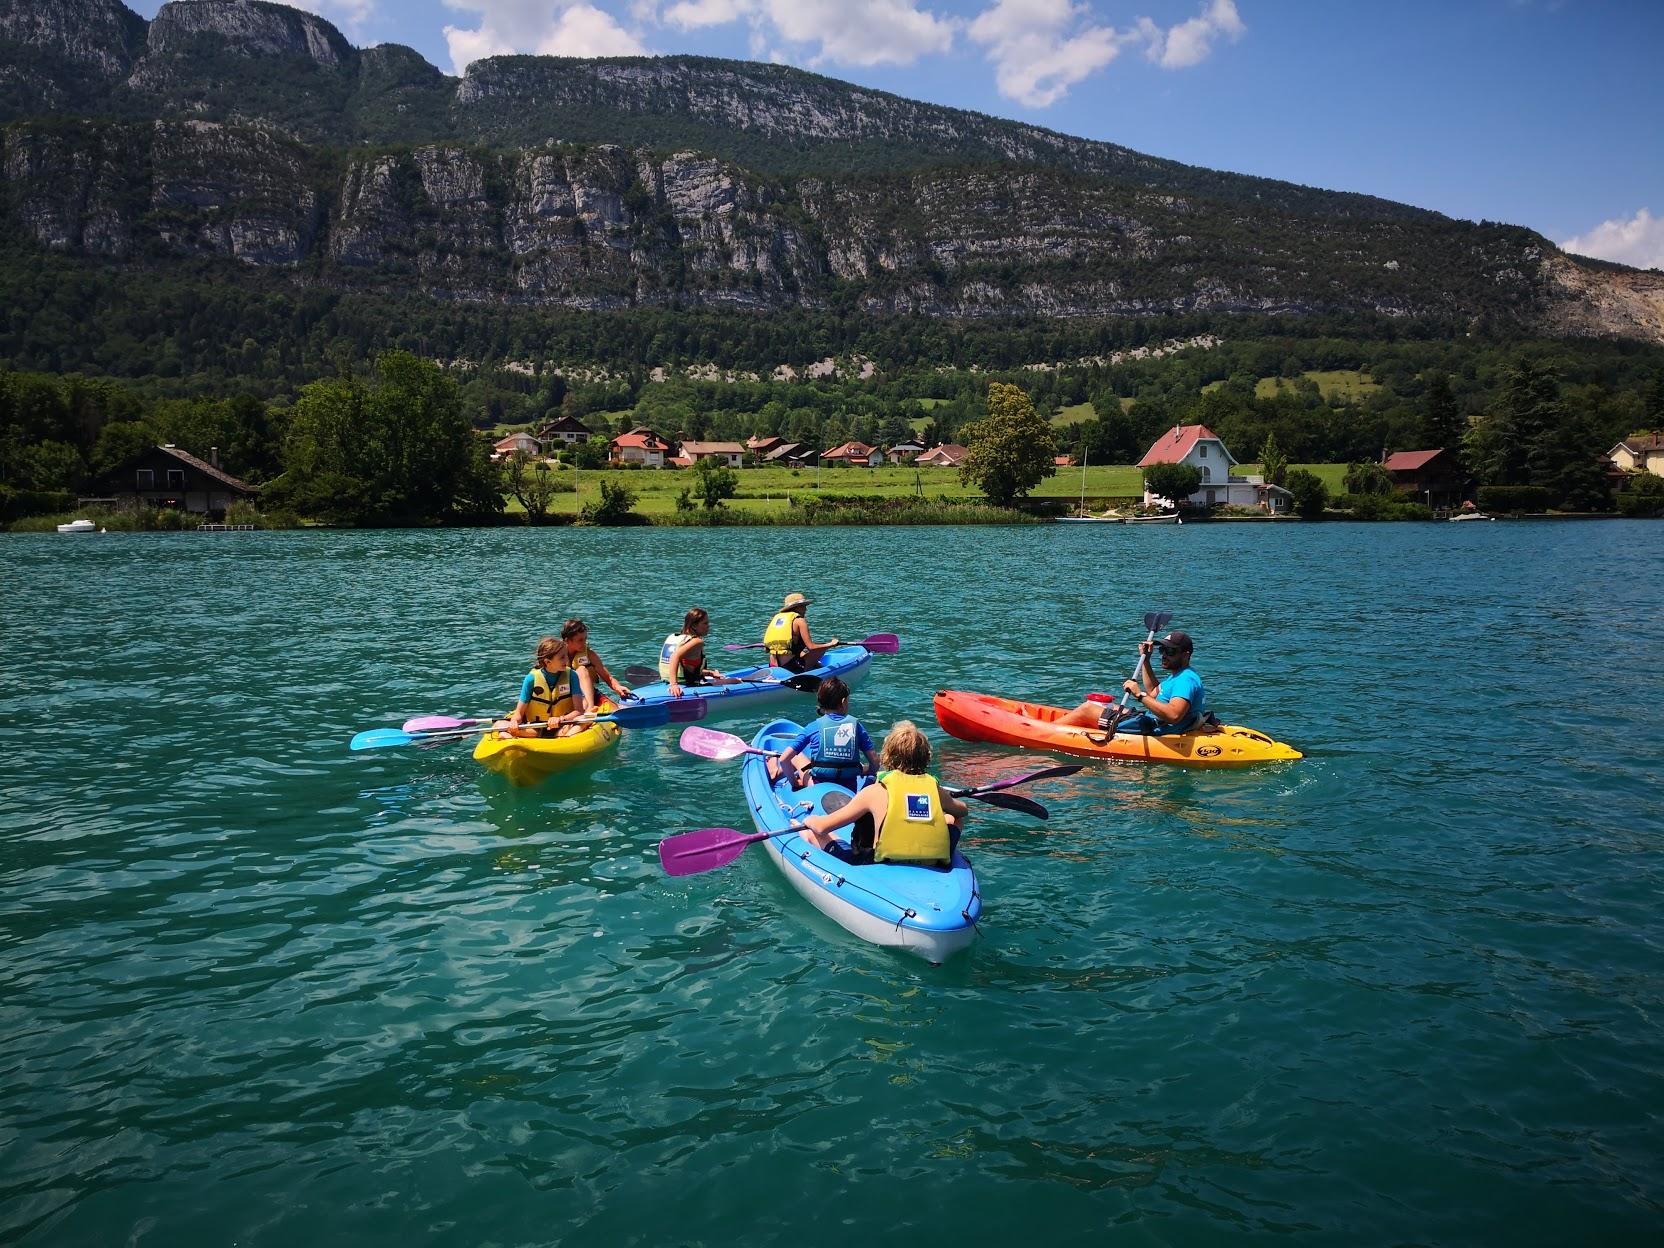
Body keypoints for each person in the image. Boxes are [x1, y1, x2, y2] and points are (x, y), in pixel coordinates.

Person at [797, 720, 968, 867]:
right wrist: (941, 801)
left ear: (888, 755)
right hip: (931, 862)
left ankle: (809, 838)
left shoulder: (875, 791)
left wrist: (810, 820)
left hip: (883, 862)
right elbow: (963, 810)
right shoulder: (934, 789)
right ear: (925, 757)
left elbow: (822, 827)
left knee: (813, 833)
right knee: (952, 818)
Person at [1057, 630, 1206, 734]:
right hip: (1151, 719)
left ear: (1186, 656)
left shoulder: (1185, 680)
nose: (1164, 655)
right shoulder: (1179, 676)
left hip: (1151, 727)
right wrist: (1146, 660)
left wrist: (1139, 695)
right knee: (1102, 705)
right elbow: (1153, 692)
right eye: (1162, 650)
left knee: (1087, 709)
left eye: (1170, 652)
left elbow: (1174, 715)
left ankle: (1046, 733)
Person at [769, 676, 878, 790]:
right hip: (849, 789)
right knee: (863, 767)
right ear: (843, 701)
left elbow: (784, 759)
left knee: (797, 757)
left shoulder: (813, 727)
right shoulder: (857, 726)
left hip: (818, 787)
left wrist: (795, 784)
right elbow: (875, 762)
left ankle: (774, 773)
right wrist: (867, 771)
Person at [503, 636, 596, 738]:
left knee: (583, 720)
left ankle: (566, 740)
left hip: (562, 727)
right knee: (500, 724)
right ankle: (509, 739)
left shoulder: (572, 676)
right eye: (562, 658)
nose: (566, 660)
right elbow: (519, 713)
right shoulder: (531, 679)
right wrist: (514, 721)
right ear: (548, 662)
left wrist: (561, 719)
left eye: (566, 656)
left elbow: (579, 710)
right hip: (535, 730)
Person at [763, 592, 840, 673]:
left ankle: (815, 665)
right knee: (821, 647)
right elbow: (811, 647)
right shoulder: (799, 621)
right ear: (797, 607)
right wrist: (831, 644)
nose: (806, 609)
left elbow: (766, 649)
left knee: (803, 650)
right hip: (790, 666)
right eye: (803, 606)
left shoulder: (777, 620)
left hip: (773, 665)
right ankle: (817, 669)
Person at [659, 607, 727, 698]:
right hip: (686, 685)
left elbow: (687, 669)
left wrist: (710, 673)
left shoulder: (676, 638)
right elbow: (674, 656)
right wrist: (674, 685)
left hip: (668, 682)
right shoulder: (696, 642)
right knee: (735, 681)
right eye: (705, 623)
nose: (708, 626)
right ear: (694, 626)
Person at [562, 618, 631, 702]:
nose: (584, 642)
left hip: (588, 694)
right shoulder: (556, 656)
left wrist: (617, 687)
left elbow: (608, 677)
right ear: (567, 641)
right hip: (565, 697)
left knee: (614, 707)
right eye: (580, 640)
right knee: (581, 670)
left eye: (585, 638)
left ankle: (590, 705)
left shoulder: (590, 654)